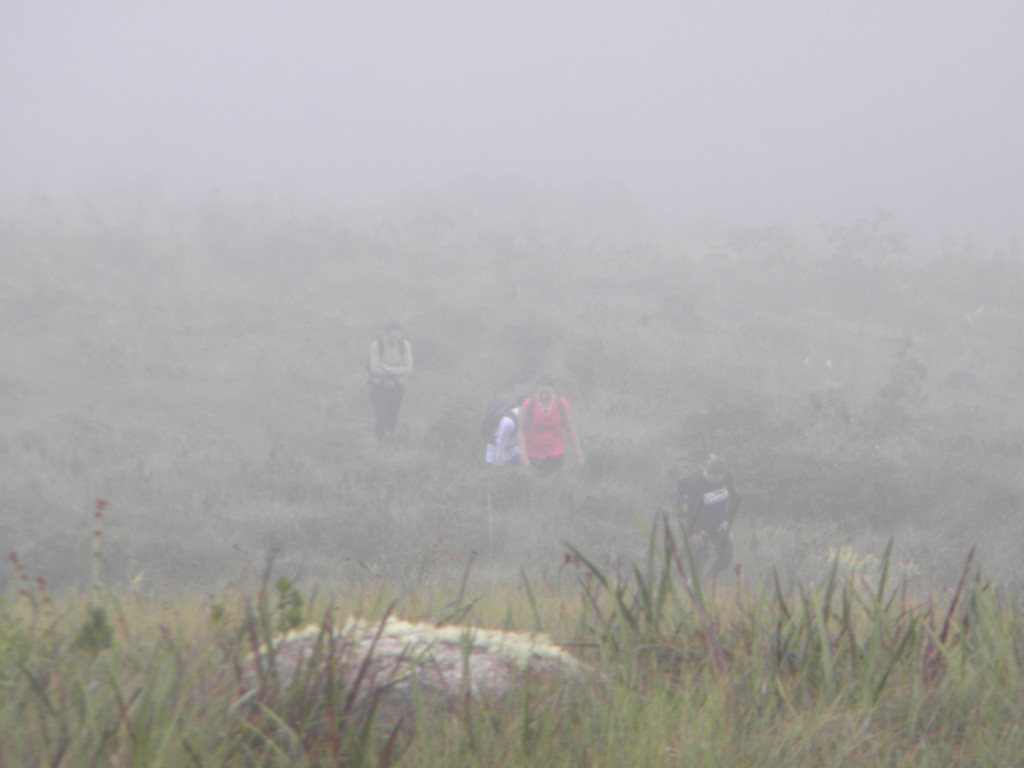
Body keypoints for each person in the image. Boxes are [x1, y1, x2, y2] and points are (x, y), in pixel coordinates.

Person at [676, 455, 740, 577]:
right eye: (714, 478)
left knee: (726, 554)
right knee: (700, 552)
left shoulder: (727, 478)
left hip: (718, 521)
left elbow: (734, 499)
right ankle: (690, 578)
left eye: (720, 478)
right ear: (707, 472)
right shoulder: (695, 483)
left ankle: (710, 577)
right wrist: (696, 530)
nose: (718, 481)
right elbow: (686, 510)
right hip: (697, 521)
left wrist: (727, 521)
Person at [517, 376, 584, 474]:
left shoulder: (562, 404)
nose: (544, 396)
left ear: (553, 391)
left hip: (555, 454)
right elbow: (520, 431)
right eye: (540, 393)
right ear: (536, 391)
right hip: (532, 454)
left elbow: (570, 430)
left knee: (554, 485)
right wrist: (523, 456)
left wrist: (579, 453)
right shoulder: (528, 404)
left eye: (547, 393)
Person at [367, 320, 412, 439]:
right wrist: (398, 370)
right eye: (391, 336)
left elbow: (408, 368)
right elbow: (374, 369)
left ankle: (390, 437)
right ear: (385, 334)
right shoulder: (377, 345)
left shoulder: (404, 345)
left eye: (397, 336)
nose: (394, 339)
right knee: (381, 415)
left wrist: (387, 369)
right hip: (378, 385)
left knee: (393, 414)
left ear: (400, 334)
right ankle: (378, 441)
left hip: (397, 386)